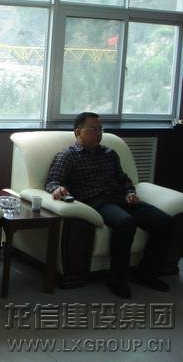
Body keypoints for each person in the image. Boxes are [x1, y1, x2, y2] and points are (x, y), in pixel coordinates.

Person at [45, 111, 174, 299]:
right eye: (93, 129)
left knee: (165, 221)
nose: (98, 133)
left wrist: (130, 192)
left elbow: (124, 179)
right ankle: (117, 279)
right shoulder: (68, 156)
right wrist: (57, 189)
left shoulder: (109, 153)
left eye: (100, 129)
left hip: (122, 198)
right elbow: (52, 181)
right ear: (78, 132)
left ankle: (146, 274)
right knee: (125, 222)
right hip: (96, 201)